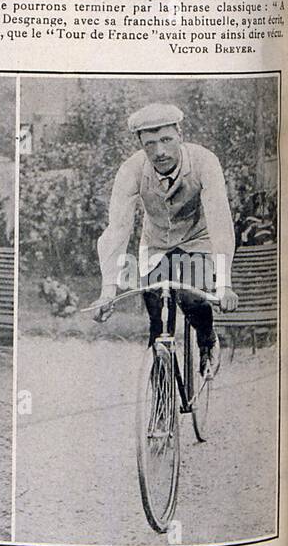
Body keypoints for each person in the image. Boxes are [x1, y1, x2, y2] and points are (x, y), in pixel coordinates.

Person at [95, 103, 239, 377]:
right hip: (157, 244)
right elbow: (118, 228)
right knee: (157, 317)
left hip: (198, 239)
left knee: (191, 295)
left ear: (180, 135)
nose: (159, 151)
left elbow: (220, 221)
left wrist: (225, 284)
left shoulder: (204, 161)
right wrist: (107, 290)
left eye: (166, 140)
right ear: (140, 144)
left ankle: (207, 339)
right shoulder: (131, 170)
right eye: (150, 144)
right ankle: (160, 399)